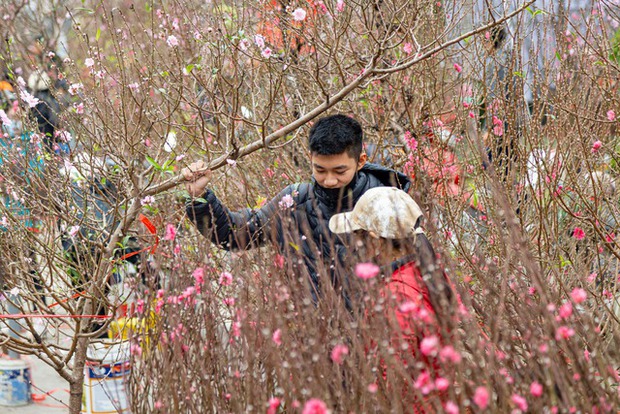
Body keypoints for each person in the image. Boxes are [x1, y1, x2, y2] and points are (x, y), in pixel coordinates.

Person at [183, 114, 410, 301]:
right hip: (313, 339)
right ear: (309, 158)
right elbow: (233, 235)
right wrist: (200, 197)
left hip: (377, 336)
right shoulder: (294, 201)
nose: (329, 180)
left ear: (360, 161)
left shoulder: (387, 203)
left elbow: (412, 271)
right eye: (320, 170)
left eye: (339, 171)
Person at [329, 186, 454, 347]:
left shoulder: (394, 298)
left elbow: (391, 368)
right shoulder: (428, 269)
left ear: (375, 241)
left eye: (357, 235)